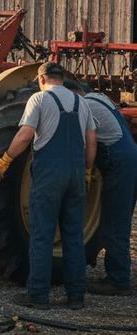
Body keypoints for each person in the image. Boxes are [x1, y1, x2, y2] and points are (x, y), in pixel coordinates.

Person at [0, 62, 96, 309]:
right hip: (76, 174)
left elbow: (25, 135)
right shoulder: (82, 103)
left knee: (42, 236)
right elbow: (92, 142)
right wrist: (87, 171)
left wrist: (5, 159)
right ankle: (76, 296)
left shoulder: (39, 99)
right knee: (73, 236)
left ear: (42, 79)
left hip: (50, 175)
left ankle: (38, 295)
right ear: (61, 78)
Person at [66, 80, 136, 296]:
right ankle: (116, 274)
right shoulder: (102, 99)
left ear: (75, 93)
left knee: (115, 222)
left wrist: (85, 170)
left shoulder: (85, 105)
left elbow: (89, 141)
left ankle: (118, 280)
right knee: (115, 220)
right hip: (126, 158)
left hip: (119, 163)